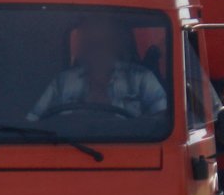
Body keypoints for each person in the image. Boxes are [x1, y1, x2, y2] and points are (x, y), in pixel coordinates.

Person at [27, 16, 167, 122]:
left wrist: (135, 127)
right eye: (91, 44)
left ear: (116, 45)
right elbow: (34, 120)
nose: (97, 50)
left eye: (103, 43)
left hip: (129, 153)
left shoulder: (141, 78)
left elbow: (162, 117)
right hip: (69, 151)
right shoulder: (63, 82)